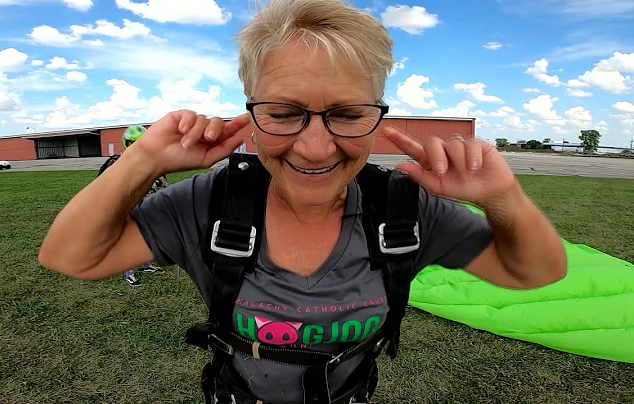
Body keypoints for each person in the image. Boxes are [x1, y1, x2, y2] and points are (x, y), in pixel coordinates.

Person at [38, 0, 567, 402]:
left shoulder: (404, 208)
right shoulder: (213, 202)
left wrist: (503, 197)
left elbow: (534, 273)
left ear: (377, 112)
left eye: (349, 113)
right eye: (284, 111)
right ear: (248, 109)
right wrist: (142, 160)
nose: (315, 147)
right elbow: (72, 257)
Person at [96, 124, 167, 286]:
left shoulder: (152, 162)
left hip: (146, 206)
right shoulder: (117, 162)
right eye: (133, 143)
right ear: (126, 144)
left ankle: (146, 265)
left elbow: (163, 185)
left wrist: (159, 179)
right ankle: (129, 272)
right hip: (125, 208)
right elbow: (103, 185)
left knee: (146, 237)